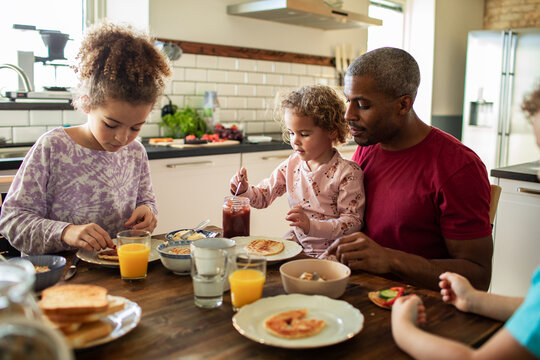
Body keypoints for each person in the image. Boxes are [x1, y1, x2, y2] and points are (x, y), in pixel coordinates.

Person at [323, 47, 493, 290]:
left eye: (362, 104)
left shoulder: (458, 167)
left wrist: (391, 259)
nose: (349, 114)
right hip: (361, 290)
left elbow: (478, 277)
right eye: (348, 101)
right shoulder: (367, 148)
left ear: (403, 104)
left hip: (423, 306)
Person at [0, 22, 171, 254]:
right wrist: (66, 231)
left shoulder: (135, 152)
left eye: (136, 127)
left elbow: (146, 203)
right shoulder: (54, 147)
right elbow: (12, 222)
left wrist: (148, 214)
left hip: (116, 274)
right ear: (86, 103)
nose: (122, 138)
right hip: (60, 278)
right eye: (111, 124)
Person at [230, 85, 365, 257]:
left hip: (334, 252)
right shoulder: (292, 164)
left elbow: (352, 223)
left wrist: (310, 226)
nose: (295, 141)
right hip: (297, 246)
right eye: (291, 133)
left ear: (331, 131)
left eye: (304, 134)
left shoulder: (347, 173)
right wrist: (244, 191)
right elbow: (263, 196)